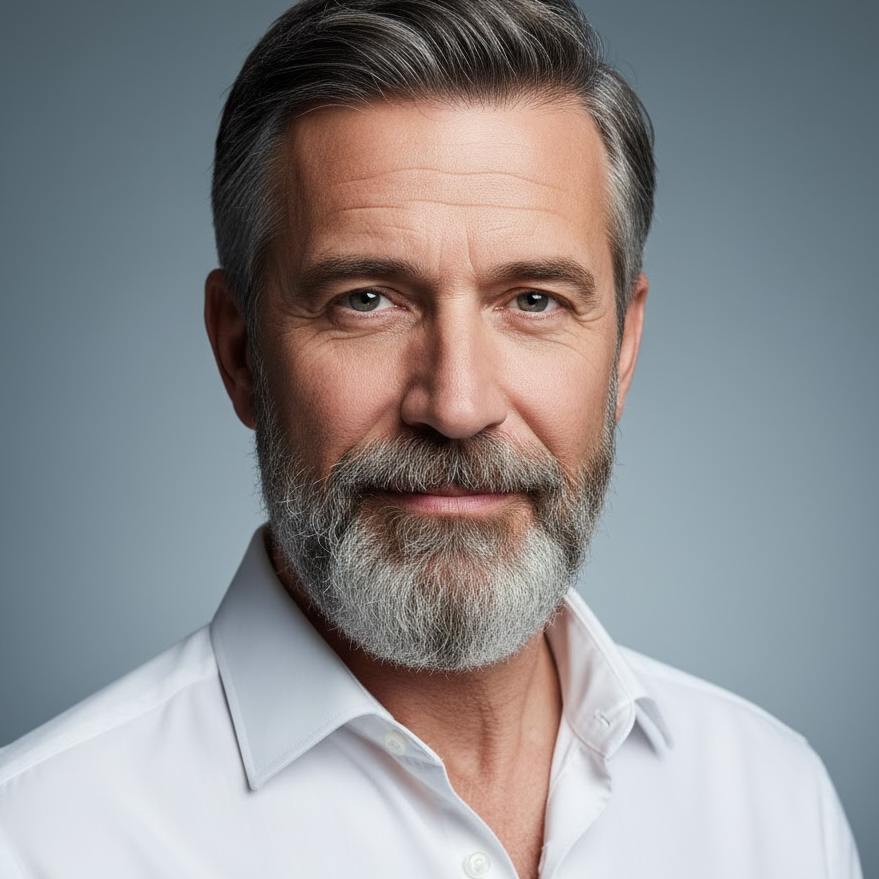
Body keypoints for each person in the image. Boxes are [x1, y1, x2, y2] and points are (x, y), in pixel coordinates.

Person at [0, 0, 863, 876]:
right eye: (366, 299)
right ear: (240, 353)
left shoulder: (773, 803)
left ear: (623, 349)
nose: (455, 404)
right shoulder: (38, 839)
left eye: (533, 300)